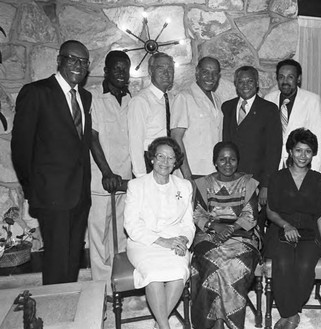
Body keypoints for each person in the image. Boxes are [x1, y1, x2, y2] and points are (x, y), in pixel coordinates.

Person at [11, 40, 92, 285]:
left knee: (72, 262)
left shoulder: (85, 98)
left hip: (79, 195)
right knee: (56, 263)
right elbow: (21, 147)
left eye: (84, 62)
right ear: (59, 60)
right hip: (51, 195)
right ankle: (53, 317)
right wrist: (32, 191)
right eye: (72, 59)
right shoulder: (36, 92)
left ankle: (69, 312)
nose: (78, 65)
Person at [124, 137, 195, 329]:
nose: (165, 162)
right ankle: (164, 326)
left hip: (176, 241)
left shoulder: (184, 186)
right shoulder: (136, 186)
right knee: (154, 275)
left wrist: (184, 240)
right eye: (160, 156)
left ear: (175, 162)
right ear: (152, 159)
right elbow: (131, 225)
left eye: (170, 158)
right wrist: (163, 241)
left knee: (179, 272)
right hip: (144, 242)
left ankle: (158, 323)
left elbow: (189, 223)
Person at [191, 141, 261, 329]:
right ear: (215, 162)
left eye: (232, 159)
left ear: (238, 161)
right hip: (209, 235)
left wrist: (229, 229)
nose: (227, 163)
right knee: (210, 264)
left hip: (242, 236)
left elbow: (250, 215)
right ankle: (216, 322)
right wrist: (216, 226)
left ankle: (224, 321)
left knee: (234, 266)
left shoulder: (248, 183)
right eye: (222, 159)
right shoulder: (204, 183)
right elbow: (198, 213)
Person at [264, 128, 321, 329]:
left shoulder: (319, 180)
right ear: (290, 151)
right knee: (283, 263)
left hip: (310, 232)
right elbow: (270, 212)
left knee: (303, 266)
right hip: (281, 228)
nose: (303, 156)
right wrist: (286, 225)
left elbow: (320, 215)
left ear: (313, 154)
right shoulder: (277, 177)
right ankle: (289, 314)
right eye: (298, 150)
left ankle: (290, 310)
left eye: (308, 151)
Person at [87, 50, 132, 287]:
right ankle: (100, 291)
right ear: (106, 71)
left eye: (125, 69)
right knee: (99, 236)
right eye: (116, 69)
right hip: (101, 180)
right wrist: (106, 172)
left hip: (124, 180)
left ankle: (120, 285)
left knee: (121, 234)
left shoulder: (130, 99)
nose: (122, 73)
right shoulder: (94, 97)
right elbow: (92, 138)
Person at [222, 65, 282, 213]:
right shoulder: (227, 107)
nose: (245, 85)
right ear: (235, 84)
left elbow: (274, 150)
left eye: (250, 81)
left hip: (256, 181)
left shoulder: (269, 109)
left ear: (257, 83)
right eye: (241, 82)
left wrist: (266, 186)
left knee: (253, 226)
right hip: (230, 179)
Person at [264, 59, 321, 171]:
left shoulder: (312, 100)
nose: (285, 81)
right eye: (281, 77)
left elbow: (318, 140)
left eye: (290, 77)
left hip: (299, 166)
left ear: (298, 79)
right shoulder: (269, 99)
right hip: (273, 166)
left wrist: (313, 172)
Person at [171, 56, 223, 180]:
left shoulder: (217, 99)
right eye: (205, 72)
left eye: (214, 73)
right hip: (191, 172)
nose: (210, 77)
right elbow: (176, 138)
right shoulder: (184, 97)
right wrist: (187, 175)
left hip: (213, 171)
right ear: (197, 72)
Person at [128, 52, 175, 177]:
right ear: (150, 70)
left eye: (170, 68)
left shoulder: (173, 99)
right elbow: (135, 142)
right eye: (161, 68)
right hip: (149, 162)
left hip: (170, 163)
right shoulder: (141, 101)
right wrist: (141, 177)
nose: (166, 73)